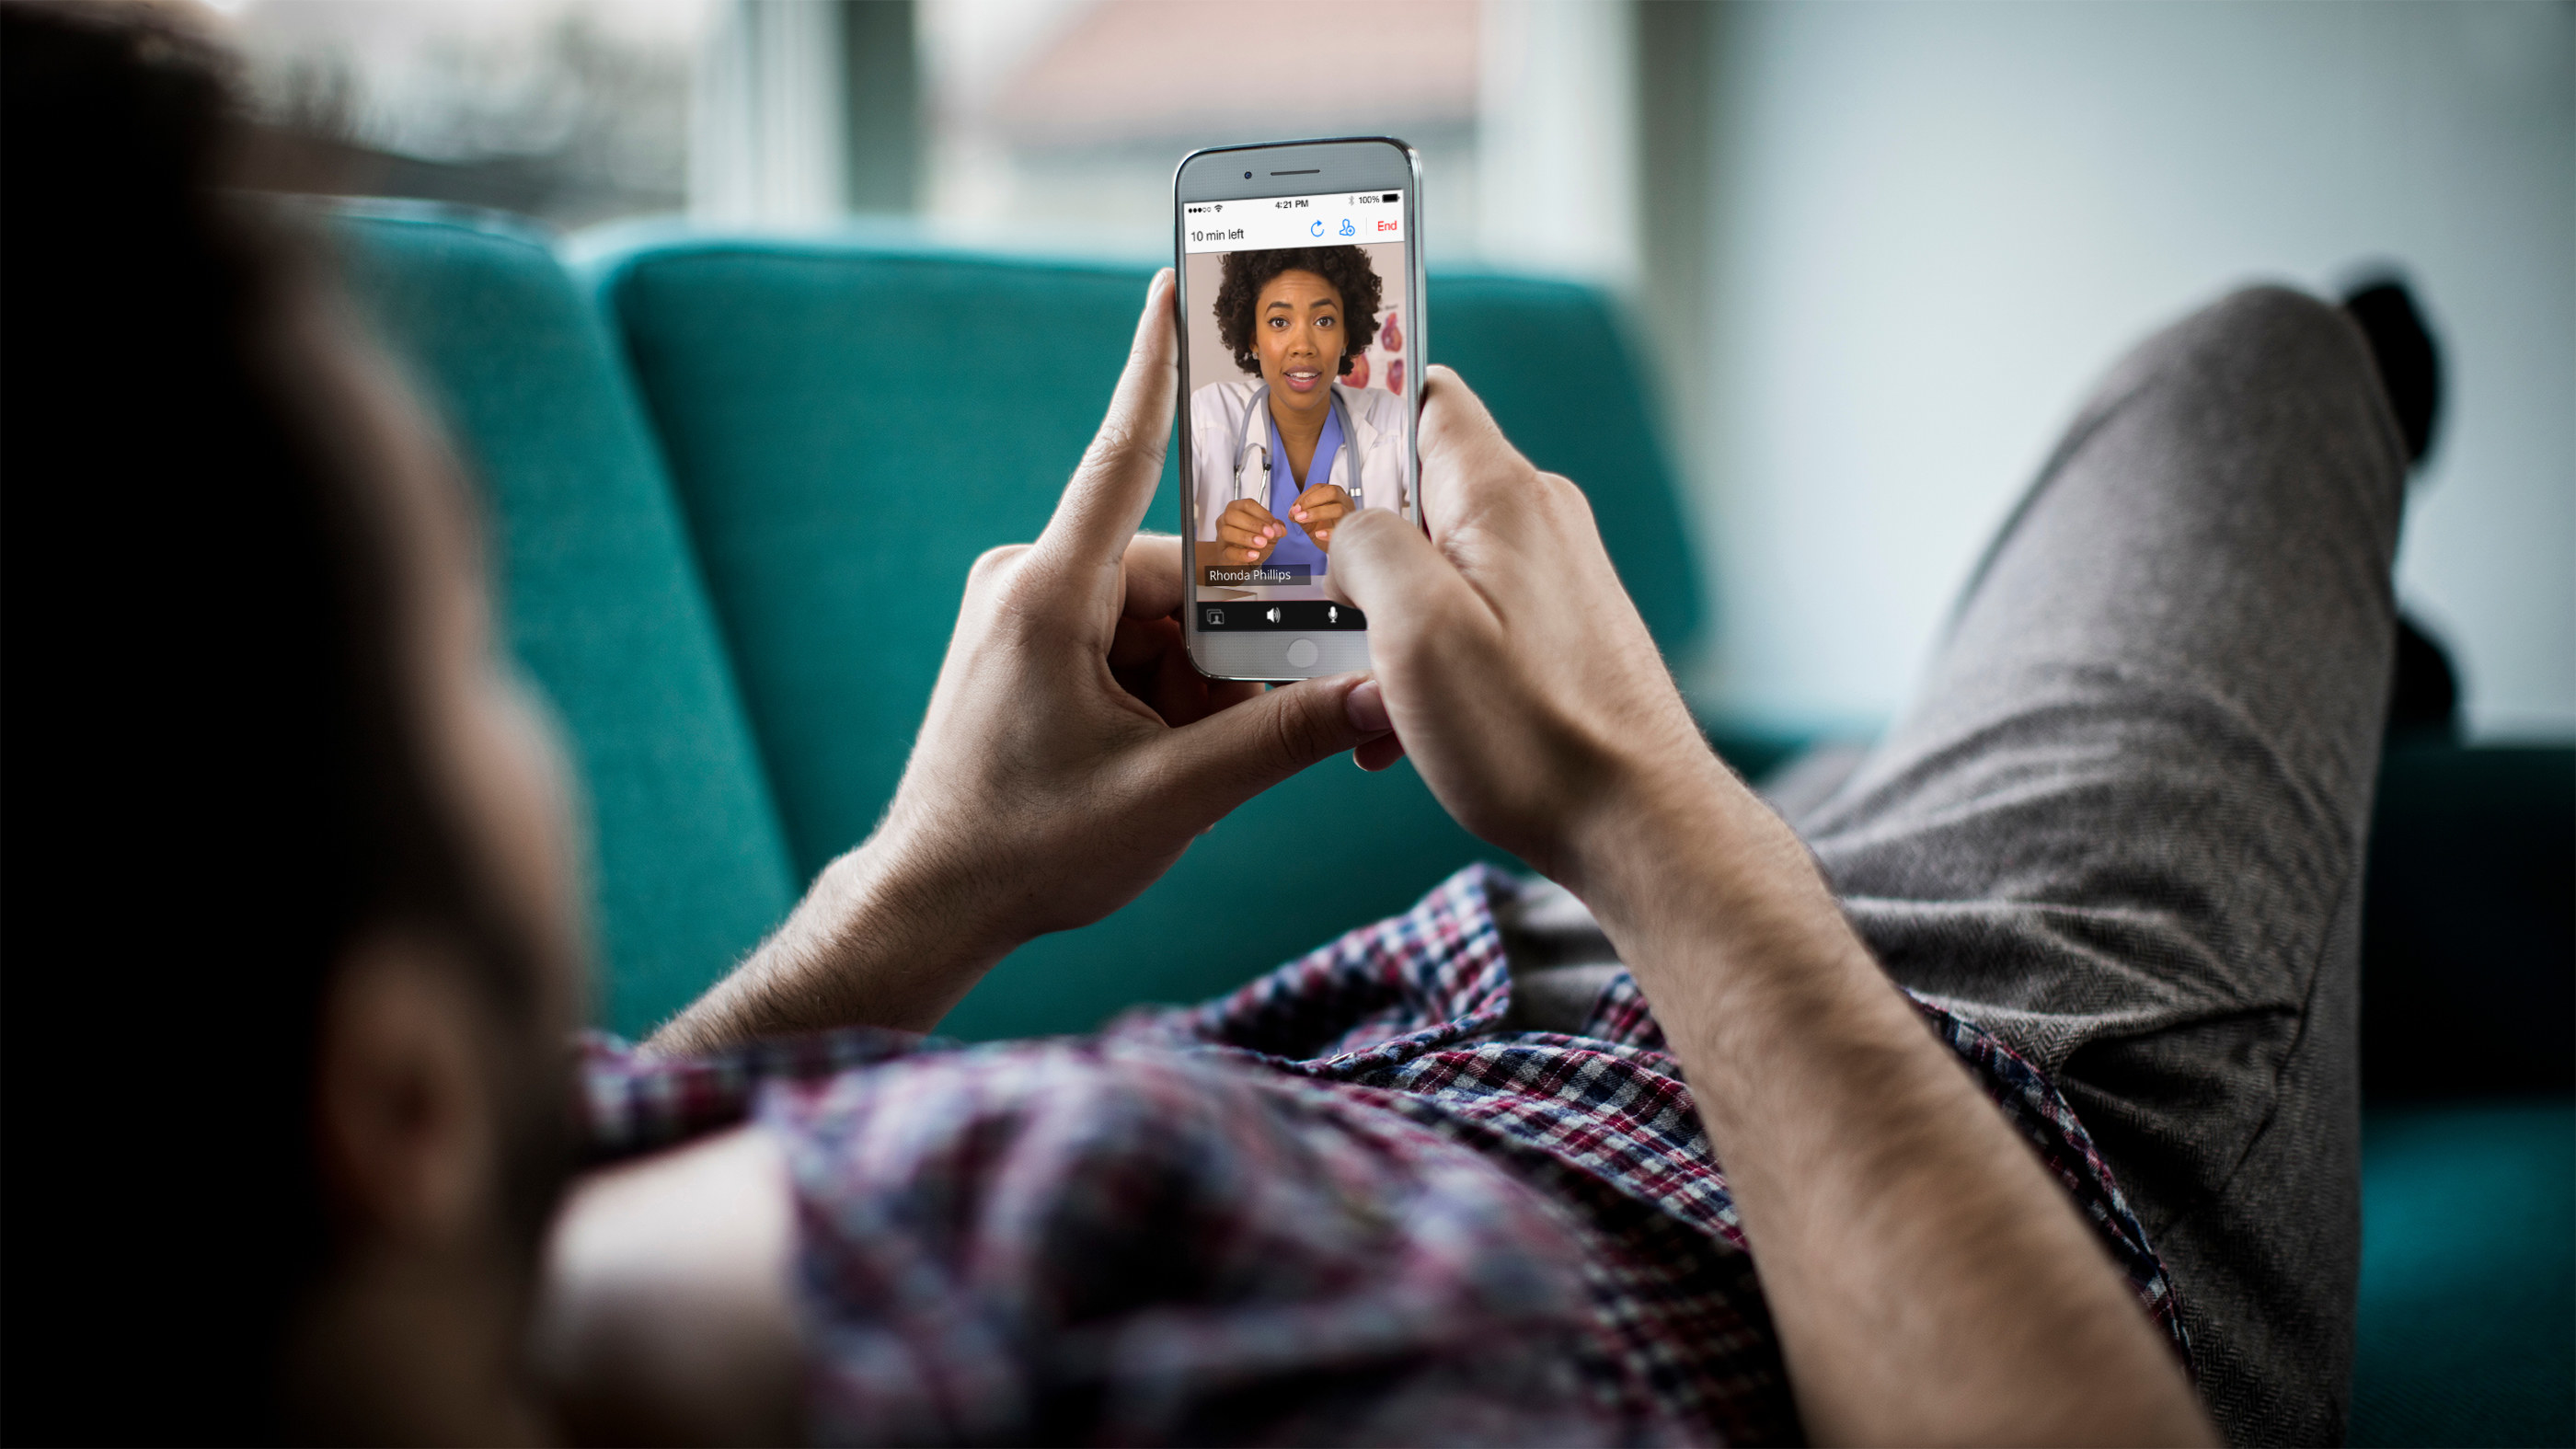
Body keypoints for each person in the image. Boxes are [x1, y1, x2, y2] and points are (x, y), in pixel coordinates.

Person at [3, 6, 2414, 1443]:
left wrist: (920, 886)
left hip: (1536, 982)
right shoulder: (1115, 1316)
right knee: (2253, 375)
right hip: (1942, 1108)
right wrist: (1644, 808)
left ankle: (2364, 745)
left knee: (2039, 718)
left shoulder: (392, 1228)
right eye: (477, 651)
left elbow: (577, 1128)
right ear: (382, 1085)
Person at [1189, 246, 1409, 592]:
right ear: (1254, 339)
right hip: (1243, 641)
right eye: (1279, 322)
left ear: (1345, 337)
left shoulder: (1394, 421)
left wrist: (1365, 545)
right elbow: (1145, 557)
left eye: (1324, 321)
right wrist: (1221, 563)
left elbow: (1453, 562)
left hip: (1358, 642)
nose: (1303, 345)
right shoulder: (1210, 415)